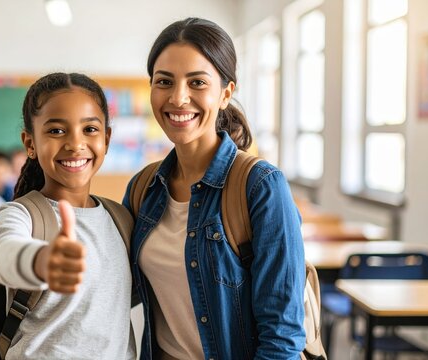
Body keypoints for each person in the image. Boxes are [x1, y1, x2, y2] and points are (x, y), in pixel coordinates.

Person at [122, 18, 305, 359]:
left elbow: (282, 337)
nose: (178, 98)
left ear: (225, 93)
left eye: (197, 82)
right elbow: (118, 294)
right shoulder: (144, 188)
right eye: (164, 82)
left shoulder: (261, 187)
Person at [0, 72, 136, 359]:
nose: (75, 144)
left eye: (90, 129)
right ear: (30, 144)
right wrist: (40, 261)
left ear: (106, 138)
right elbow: (4, 255)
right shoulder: (20, 214)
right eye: (56, 131)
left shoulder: (121, 219)